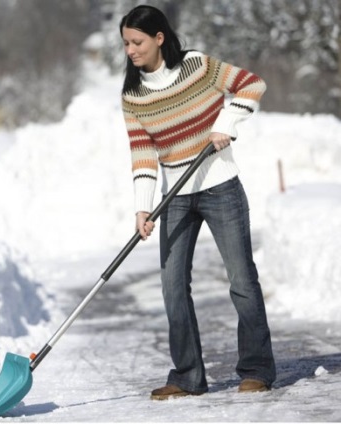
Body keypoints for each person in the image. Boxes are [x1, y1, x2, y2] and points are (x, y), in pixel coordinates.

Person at [119, 5, 276, 400]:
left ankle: (257, 368)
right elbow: (142, 153)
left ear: (159, 37)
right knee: (172, 287)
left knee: (241, 280)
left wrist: (226, 124)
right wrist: (142, 207)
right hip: (175, 196)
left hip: (220, 185)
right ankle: (187, 376)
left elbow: (251, 84)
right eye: (125, 44)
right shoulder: (133, 95)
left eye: (137, 42)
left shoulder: (197, 66)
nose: (130, 51)